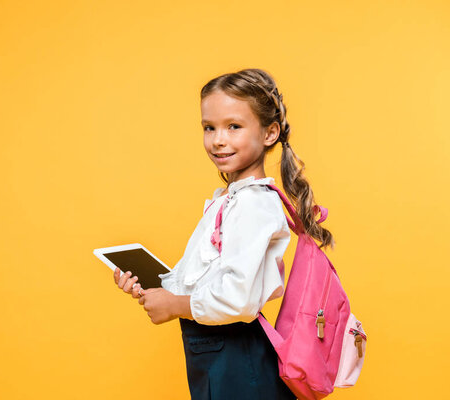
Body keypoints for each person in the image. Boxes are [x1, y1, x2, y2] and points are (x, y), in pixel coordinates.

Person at [113, 68, 334, 400]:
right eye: (209, 127)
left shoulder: (253, 204)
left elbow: (238, 299)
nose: (218, 139)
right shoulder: (231, 201)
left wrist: (173, 304)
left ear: (270, 133)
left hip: (237, 360)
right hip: (217, 358)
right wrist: (156, 288)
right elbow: (204, 279)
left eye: (234, 126)